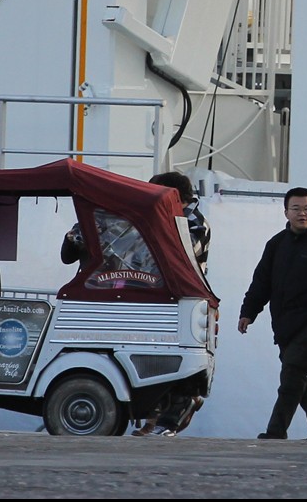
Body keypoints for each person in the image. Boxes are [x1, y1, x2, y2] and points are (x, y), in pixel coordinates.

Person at [237, 187, 307, 440]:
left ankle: (276, 429)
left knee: (292, 374)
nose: (302, 213)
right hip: (283, 323)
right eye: (296, 208)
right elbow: (261, 282)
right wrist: (248, 312)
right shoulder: (276, 244)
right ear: (285, 212)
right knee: (304, 375)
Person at [133, 172, 211, 437]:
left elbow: (181, 255)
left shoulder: (194, 222)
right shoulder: (162, 218)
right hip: (157, 295)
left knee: (173, 358)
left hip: (184, 299)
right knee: (151, 358)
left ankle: (175, 413)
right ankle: (153, 418)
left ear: (172, 196)